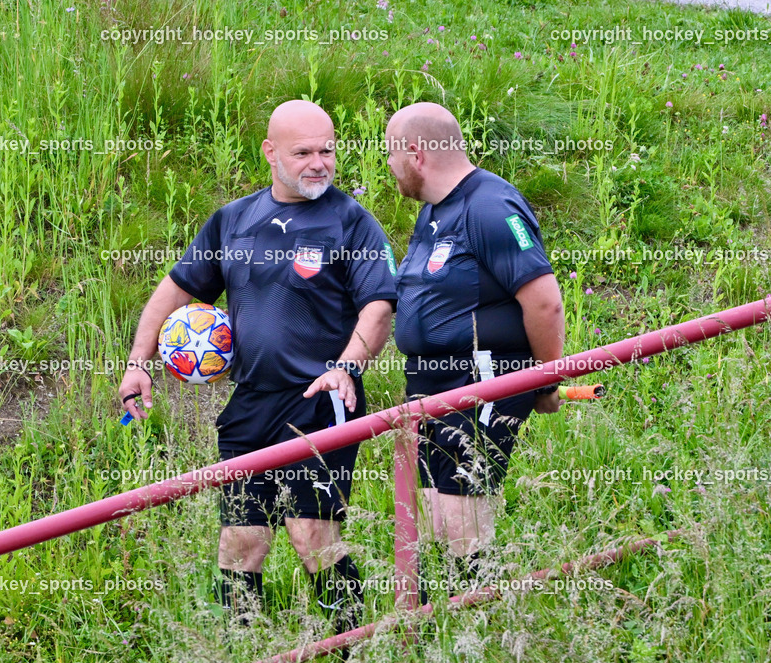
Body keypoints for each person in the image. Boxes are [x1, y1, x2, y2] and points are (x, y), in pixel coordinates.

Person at [118, 100, 397, 634]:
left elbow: (378, 306)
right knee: (241, 539)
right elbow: (173, 291)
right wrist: (138, 363)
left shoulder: (352, 223)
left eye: (328, 150)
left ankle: (352, 651)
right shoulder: (234, 220)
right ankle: (238, 652)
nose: (320, 162)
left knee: (311, 535)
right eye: (304, 152)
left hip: (320, 401)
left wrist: (348, 367)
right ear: (270, 153)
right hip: (250, 404)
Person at [384, 102, 565, 593]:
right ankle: (439, 633)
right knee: (435, 521)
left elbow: (545, 303)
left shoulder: (489, 206)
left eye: (391, 156)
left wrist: (545, 381)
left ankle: (481, 629)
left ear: (416, 155)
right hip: (428, 387)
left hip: (481, 379)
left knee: (462, 516)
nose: (389, 168)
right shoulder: (433, 213)